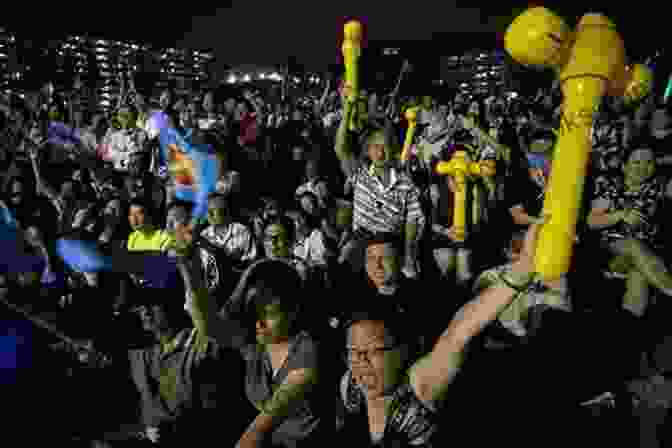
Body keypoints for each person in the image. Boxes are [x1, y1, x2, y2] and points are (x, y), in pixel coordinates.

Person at [175, 219, 327, 447]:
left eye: (270, 313)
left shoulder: (308, 348)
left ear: (294, 311)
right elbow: (210, 326)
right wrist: (189, 266)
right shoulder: (258, 342)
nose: (259, 323)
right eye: (254, 313)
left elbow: (268, 418)